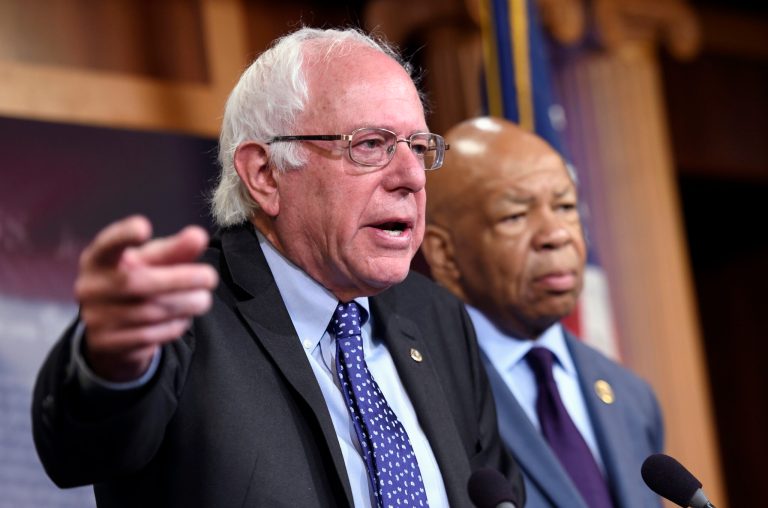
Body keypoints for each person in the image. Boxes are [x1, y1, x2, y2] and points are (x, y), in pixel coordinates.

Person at [31, 29, 524, 508]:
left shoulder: (438, 318)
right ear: (265, 174)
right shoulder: (179, 313)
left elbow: (495, 486)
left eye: (418, 147)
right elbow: (80, 451)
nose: (412, 177)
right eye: (371, 145)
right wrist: (109, 368)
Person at [421, 117, 664, 508]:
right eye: (515, 216)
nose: (556, 235)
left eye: (566, 206)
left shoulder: (632, 397)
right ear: (446, 254)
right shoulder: (422, 395)